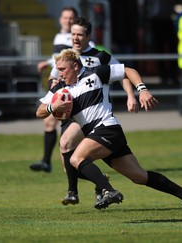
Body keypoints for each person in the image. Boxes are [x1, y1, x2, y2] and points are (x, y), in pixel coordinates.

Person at [36, 48, 182, 222]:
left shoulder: (97, 73)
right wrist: (51, 107)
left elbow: (128, 71)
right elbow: (39, 111)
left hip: (107, 128)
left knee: (75, 158)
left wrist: (142, 89)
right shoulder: (61, 89)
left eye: (63, 69)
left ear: (76, 66)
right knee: (139, 176)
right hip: (98, 135)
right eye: (58, 69)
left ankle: (109, 191)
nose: (59, 73)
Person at [49, 17, 139, 205]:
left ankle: (75, 192)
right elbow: (53, 79)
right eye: (72, 34)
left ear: (88, 36)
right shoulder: (65, 57)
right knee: (70, 165)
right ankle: (97, 182)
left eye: (79, 34)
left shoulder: (101, 56)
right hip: (71, 108)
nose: (75, 38)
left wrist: (131, 95)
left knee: (67, 145)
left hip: (92, 110)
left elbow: (122, 73)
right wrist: (55, 95)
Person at [29, 7, 80, 173]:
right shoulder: (59, 36)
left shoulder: (76, 39)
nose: (68, 20)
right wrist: (48, 62)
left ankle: (75, 162)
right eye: (65, 17)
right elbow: (58, 58)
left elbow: (72, 59)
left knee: (58, 121)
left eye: (71, 18)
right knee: (49, 121)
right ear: (60, 19)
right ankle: (48, 161)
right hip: (55, 81)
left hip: (65, 83)